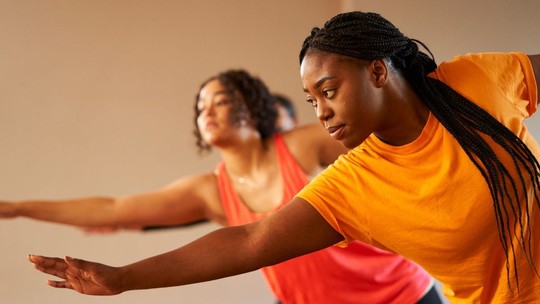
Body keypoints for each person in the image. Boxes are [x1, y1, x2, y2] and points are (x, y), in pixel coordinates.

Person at [24, 10, 540, 302]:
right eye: (312, 100)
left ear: (379, 71)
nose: (320, 111)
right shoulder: (353, 184)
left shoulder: (475, 81)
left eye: (329, 90)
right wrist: (125, 277)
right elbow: (249, 240)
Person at [1, 68, 442, 303]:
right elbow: (116, 208)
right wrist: (18, 207)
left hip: (401, 296)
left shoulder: (303, 145)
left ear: (252, 108)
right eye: (200, 106)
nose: (207, 111)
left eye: (222, 100)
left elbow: (392, 157)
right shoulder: (210, 190)